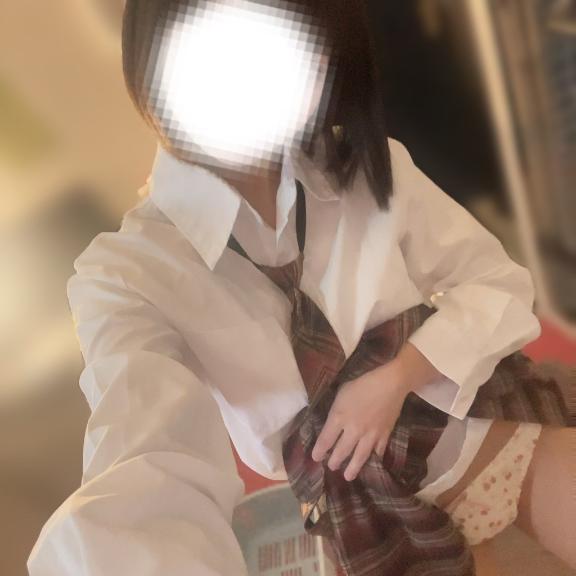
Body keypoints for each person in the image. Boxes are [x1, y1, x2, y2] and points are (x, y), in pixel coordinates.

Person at [27, 0, 575, 574]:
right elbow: (145, 463)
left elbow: (497, 284)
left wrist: (398, 376)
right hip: (366, 513)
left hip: (482, 435)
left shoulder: (368, 167)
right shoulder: (128, 274)